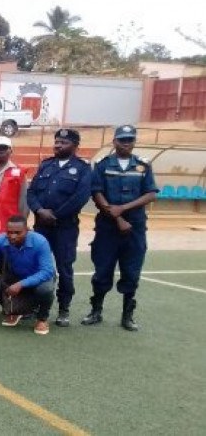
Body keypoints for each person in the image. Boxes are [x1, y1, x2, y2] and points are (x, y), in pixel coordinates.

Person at [82, 125, 158, 331]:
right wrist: (117, 218)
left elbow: (151, 193)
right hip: (108, 227)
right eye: (122, 140)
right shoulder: (103, 165)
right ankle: (96, 311)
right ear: (114, 142)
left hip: (135, 228)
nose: (126, 143)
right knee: (102, 270)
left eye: (130, 140)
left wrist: (123, 209)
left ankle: (127, 315)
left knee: (132, 271)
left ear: (134, 142)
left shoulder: (143, 165)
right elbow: (97, 193)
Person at [27, 128, 92, 327]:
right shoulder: (46, 165)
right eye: (56, 141)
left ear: (75, 146)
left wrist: (55, 215)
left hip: (65, 228)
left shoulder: (82, 168)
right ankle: (36, 304)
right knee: (38, 265)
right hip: (41, 227)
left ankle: (64, 308)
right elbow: (31, 193)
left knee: (64, 268)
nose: (58, 145)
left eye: (63, 143)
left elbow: (80, 197)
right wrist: (39, 210)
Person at [0, 215, 56, 336]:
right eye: (9, 232)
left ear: (27, 230)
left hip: (39, 278)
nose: (12, 236)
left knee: (45, 290)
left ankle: (42, 319)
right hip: (15, 276)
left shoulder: (40, 242)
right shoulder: (1, 240)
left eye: (17, 233)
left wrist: (21, 284)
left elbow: (47, 271)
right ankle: (15, 311)